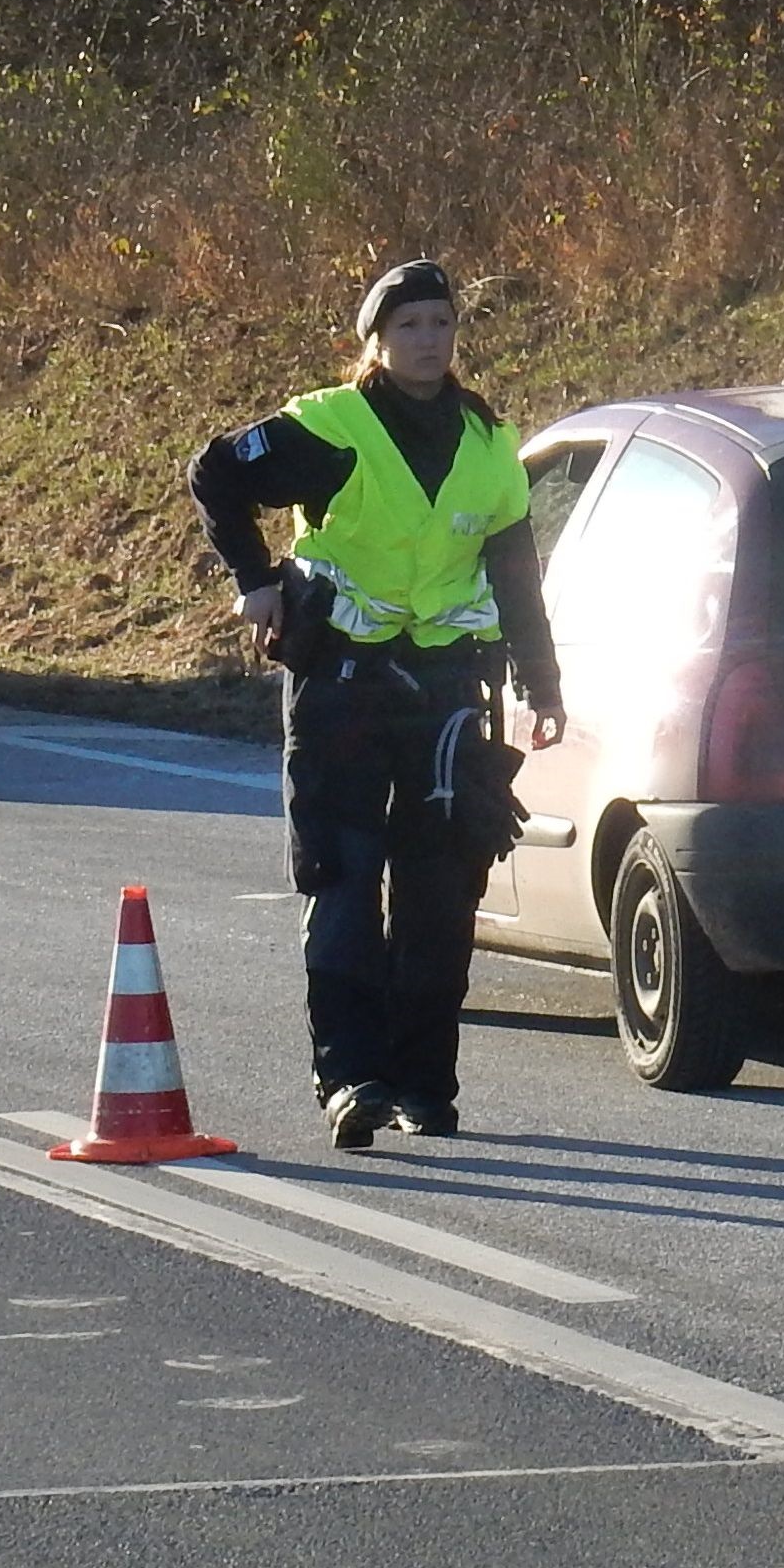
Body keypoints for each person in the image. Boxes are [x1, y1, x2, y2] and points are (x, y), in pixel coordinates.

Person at [189, 258, 565, 1150]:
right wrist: (255, 582)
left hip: (444, 697)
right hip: (343, 689)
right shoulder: (332, 427)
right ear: (374, 341)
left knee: (442, 896)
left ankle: (424, 1087)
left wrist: (541, 681)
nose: (426, 341)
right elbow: (214, 473)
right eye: (407, 327)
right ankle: (350, 1079)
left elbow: (514, 572)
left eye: (439, 324)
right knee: (347, 885)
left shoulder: (486, 440)